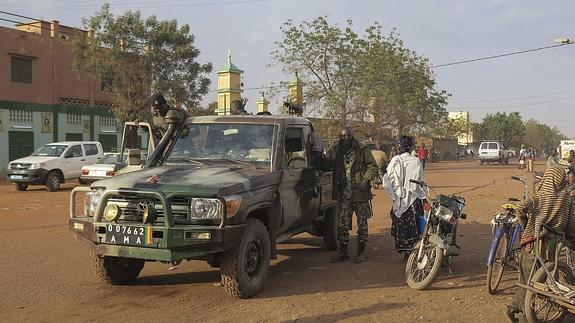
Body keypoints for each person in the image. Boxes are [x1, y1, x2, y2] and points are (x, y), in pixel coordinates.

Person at [505, 166, 575, 322]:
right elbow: (571, 226)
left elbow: (520, 208)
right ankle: (518, 312)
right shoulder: (566, 199)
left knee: (527, 281)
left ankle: (518, 312)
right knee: (539, 282)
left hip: (532, 243)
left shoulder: (539, 195)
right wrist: (571, 241)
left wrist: (525, 227)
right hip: (552, 247)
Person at [327, 126, 378, 263]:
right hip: (343, 194)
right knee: (342, 225)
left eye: (348, 136)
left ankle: (360, 252)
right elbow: (327, 162)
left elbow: (372, 166)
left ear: (352, 135)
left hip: (360, 194)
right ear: (340, 136)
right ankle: (343, 253)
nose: (346, 138)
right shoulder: (336, 149)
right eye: (343, 136)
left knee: (362, 225)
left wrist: (366, 179)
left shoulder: (361, 149)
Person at [383, 135, 427, 256]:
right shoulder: (416, 161)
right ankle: (414, 253)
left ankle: (406, 253)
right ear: (411, 147)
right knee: (415, 226)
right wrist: (424, 198)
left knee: (400, 224)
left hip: (399, 200)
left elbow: (387, 181)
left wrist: (396, 195)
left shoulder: (394, 161)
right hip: (413, 200)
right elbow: (420, 182)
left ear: (398, 147)